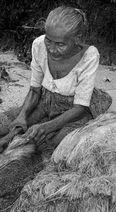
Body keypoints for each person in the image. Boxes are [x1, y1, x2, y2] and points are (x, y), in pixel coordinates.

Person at [10, 6, 112, 154]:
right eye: (49, 40)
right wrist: (22, 116)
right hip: (46, 100)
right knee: (12, 124)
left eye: (60, 44)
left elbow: (80, 107)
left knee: (54, 145)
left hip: (74, 109)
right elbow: (34, 90)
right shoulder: (39, 45)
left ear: (77, 39)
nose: (51, 49)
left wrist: (47, 127)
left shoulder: (89, 56)